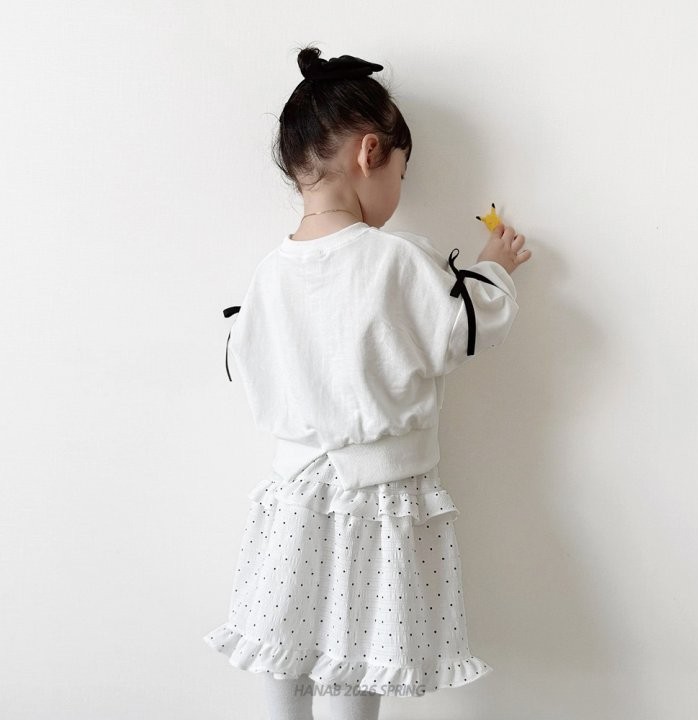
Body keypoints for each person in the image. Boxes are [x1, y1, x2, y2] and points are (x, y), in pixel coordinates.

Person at [203, 45, 532, 720]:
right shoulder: (396, 259)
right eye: (402, 173)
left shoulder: (268, 274)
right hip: (379, 498)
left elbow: (240, 359)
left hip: (294, 493)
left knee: (285, 641)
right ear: (371, 152)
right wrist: (494, 267)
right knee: (357, 650)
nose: (400, 190)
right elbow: (468, 325)